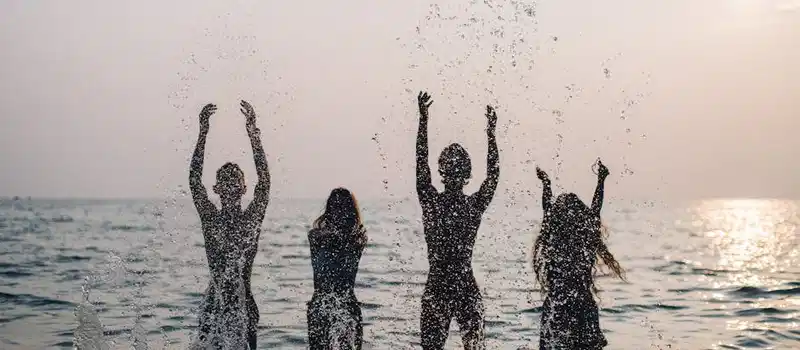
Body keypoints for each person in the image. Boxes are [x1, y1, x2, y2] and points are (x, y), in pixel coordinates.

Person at [415, 91, 500, 350]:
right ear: (467, 173)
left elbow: (420, 163)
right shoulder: (472, 206)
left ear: (442, 170)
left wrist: (423, 121)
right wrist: (491, 135)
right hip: (464, 284)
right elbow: (493, 176)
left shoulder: (432, 202)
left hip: (438, 284)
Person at [189, 101, 270, 349]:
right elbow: (194, 180)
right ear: (217, 189)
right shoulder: (211, 218)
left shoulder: (250, 220)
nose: (231, 185)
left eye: (236, 181)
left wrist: (253, 134)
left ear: (244, 188)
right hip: (213, 306)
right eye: (226, 181)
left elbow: (265, 182)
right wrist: (202, 134)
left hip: (244, 305)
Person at [532, 160, 625, 350]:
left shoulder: (553, 241)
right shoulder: (585, 240)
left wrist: (546, 184)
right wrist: (601, 180)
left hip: (557, 305)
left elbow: (547, 208)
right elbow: (596, 208)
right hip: (583, 305)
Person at [306, 188, 367, 350]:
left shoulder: (357, 238)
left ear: (350, 211)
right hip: (320, 304)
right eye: (335, 206)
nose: (339, 211)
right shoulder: (316, 236)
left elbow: (348, 241)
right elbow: (322, 236)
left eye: (343, 207)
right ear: (329, 209)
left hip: (346, 304)